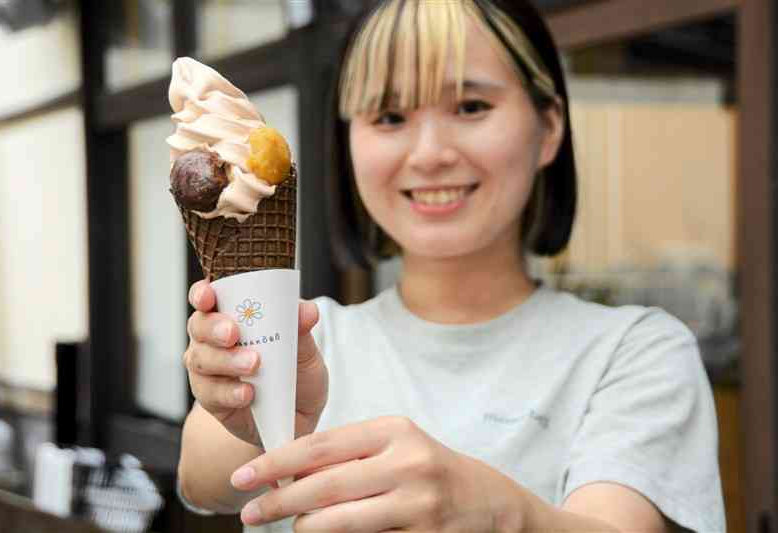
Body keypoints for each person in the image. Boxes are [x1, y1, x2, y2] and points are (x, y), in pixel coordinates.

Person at [177, 1, 725, 532]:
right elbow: (202, 483)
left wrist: (503, 514)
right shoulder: (303, 339)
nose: (430, 153)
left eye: (470, 107)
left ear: (549, 126)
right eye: (390, 116)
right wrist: (256, 415)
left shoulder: (634, 353)